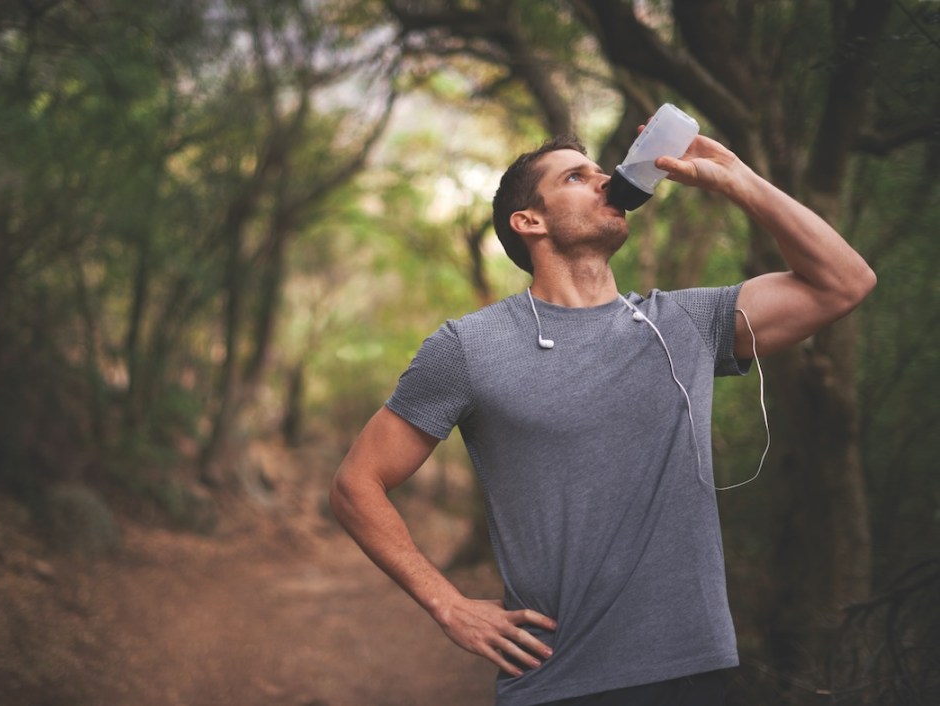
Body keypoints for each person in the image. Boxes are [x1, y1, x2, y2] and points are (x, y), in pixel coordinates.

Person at [330, 127, 876, 706]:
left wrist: (737, 178)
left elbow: (845, 282)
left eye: (598, 172)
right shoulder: (469, 347)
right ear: (529, 222)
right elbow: (355, 484)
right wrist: (448, 605)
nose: (606, 181)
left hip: (696, 671)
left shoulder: (682, 325)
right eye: (576, 177)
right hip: (558, 681)